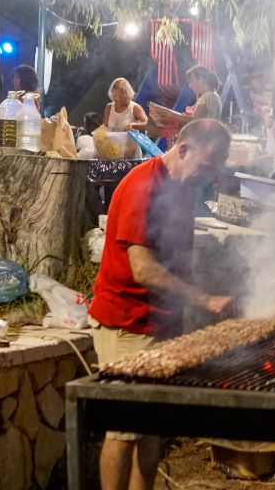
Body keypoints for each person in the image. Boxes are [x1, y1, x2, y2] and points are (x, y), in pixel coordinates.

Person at [87, 118, 235, 490]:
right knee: (124, 431)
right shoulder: (143, 186)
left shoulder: (183, 188)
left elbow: (176, 261)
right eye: (209, 164)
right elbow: (143, 269)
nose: (212, 175)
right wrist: (204, 299)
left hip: (161, 320)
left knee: (150, 430)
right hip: (126, 322)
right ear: (183, 150)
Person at [156, 66, 223, 127]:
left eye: (191, 81)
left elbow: (194, 121)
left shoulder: (206, 97)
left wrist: (170, 114)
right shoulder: (214, 95)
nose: (190, 86)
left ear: (201, 79)